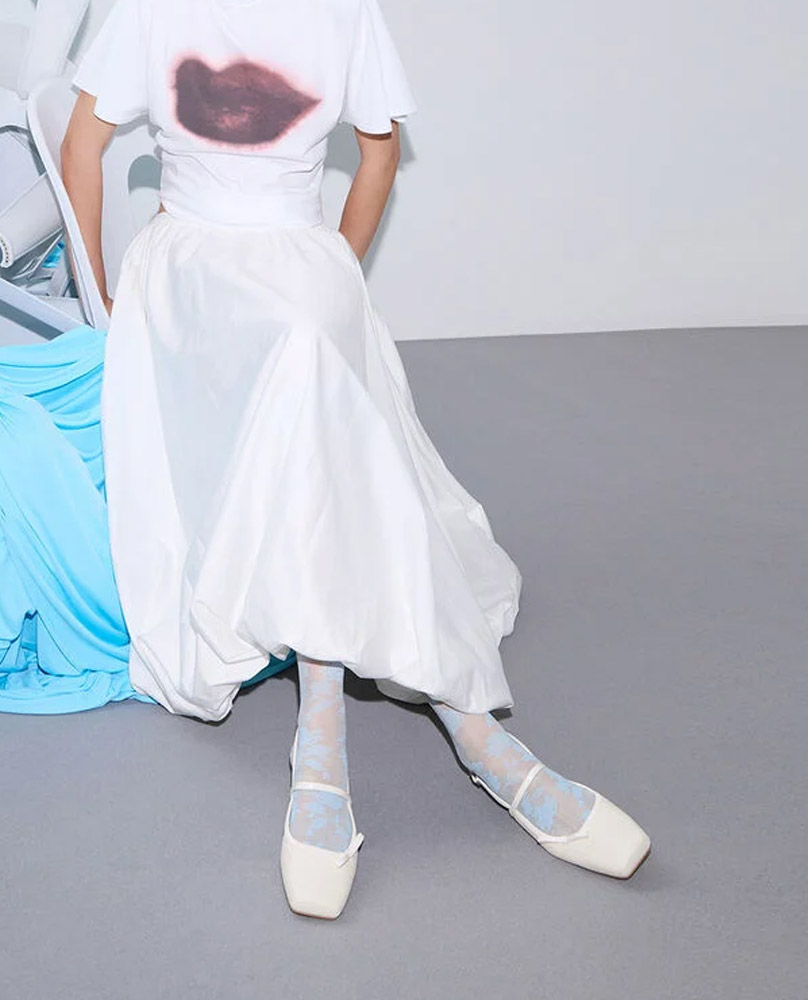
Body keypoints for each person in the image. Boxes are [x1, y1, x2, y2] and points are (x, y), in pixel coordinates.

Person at [59, 0, 652, 919]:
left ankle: (328, 737)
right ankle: (473, 737)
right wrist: (101, 305)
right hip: (186, 279)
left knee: (307, 352)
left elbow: (380, 153)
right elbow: (81, 146)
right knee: (307, 361)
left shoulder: (345, 14)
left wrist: (336, 264)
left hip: (299, 267)